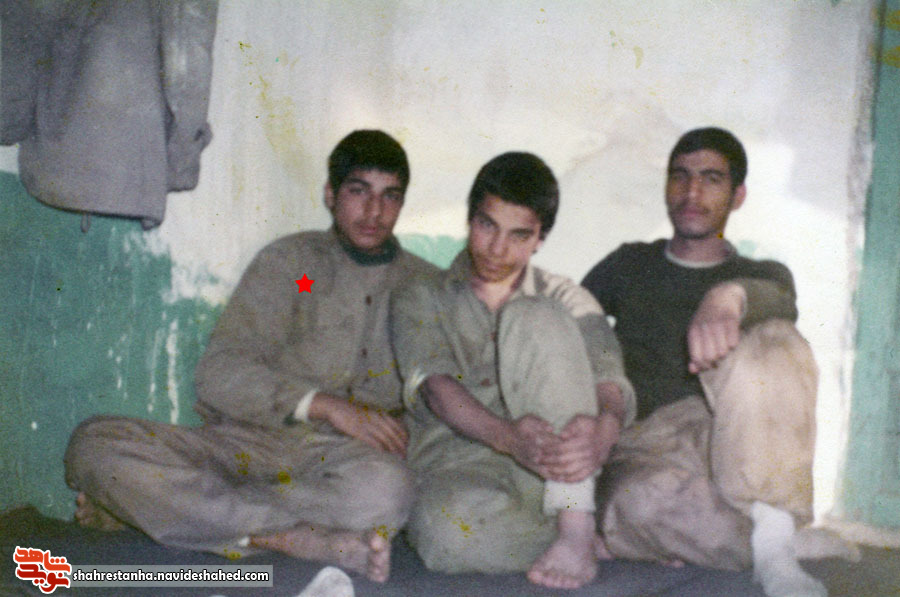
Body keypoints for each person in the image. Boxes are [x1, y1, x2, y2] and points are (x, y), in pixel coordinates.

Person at [64, 130, 437, 583]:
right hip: (244, 444)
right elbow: (219, 373)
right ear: (330, 195)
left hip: (340, 464)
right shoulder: (290, 264)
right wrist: (324, 405)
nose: (374, 211)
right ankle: (288, 538)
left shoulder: (426, 286)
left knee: (388, 493)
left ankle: (172, 513)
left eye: (389, 196)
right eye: (359, 191)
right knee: (93, 445)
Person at [582, 127, 826, 597]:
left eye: (712, 179)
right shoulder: (629, 263)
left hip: (733, 438)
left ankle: (772, 550)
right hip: (648, 446)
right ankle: (773, 540)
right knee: (639, 504)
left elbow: (780, 302)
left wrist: (728, 296)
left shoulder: (761, 274)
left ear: (738, 196)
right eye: (681, 176)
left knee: (778, 340)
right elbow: (571, 324)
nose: (692, 192)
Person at [390, 152, 636, 590]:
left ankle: (574, 523)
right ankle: (584, 534)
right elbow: (436, 389)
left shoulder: (565, 296)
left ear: (540, 239)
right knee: (445, 536)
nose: (498, 249)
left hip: (557, 462)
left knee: (535, 315)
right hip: (462, 465)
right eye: (488, 226)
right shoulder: (421, 296)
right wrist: (509, 439)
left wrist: (606, 429)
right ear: (470, 220)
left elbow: (608, 374)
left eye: (518, 235)